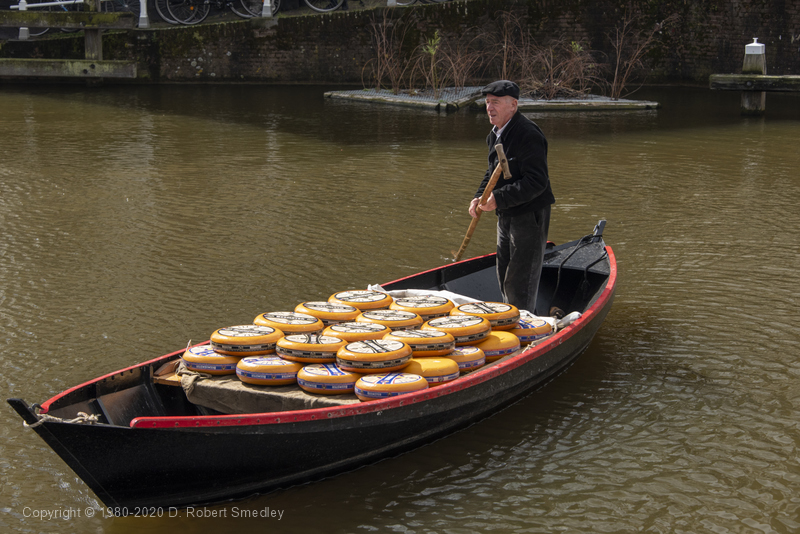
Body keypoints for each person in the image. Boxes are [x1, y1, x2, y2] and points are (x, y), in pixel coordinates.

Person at [469, 80, 555, 315]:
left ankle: (525, 330)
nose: (489, 107)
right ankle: (512, 318)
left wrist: (497, 199)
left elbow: (537, 182)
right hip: (505, 213)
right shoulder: (494, 135)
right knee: (504, 273)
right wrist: (479, 197)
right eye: (487, 102)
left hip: (529, 215)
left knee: (520, 280)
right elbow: (492, 172)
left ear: (513, 105)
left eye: (495, 102)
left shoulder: (528, 134)